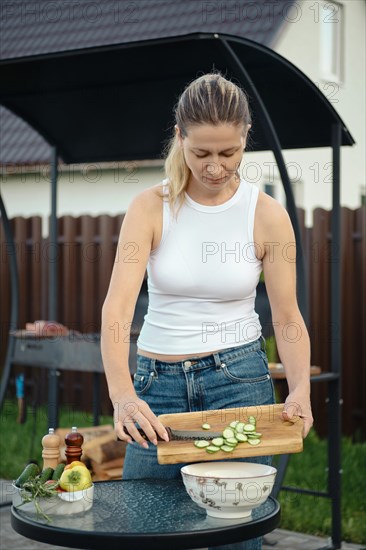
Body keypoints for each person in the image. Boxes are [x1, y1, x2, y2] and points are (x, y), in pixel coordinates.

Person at [101, 72, 313, 550]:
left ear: (244, 140)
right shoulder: (149, 208)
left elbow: (287, 317)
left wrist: (299, 388)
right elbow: (116, 310)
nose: (216, 167)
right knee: (145, 530)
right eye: (201, 154)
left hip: (238, 384)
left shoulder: (267, 215)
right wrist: (123, 395)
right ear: (180, 138)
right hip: (157, 392)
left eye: (229, 153)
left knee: (234, 537)